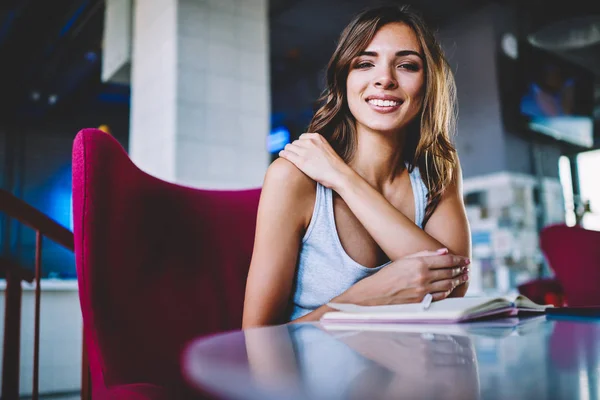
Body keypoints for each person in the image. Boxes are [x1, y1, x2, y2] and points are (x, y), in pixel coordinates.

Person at [243, 5, 471, 328]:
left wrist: (343, 178)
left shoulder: (437, 171)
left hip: (409, 374)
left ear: (428, 82)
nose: (385, 80)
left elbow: (455, 284)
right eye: (365, 63)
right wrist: (364, 299)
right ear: (344, 79)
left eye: (406, 65)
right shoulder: (293, 179)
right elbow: (256, 338)